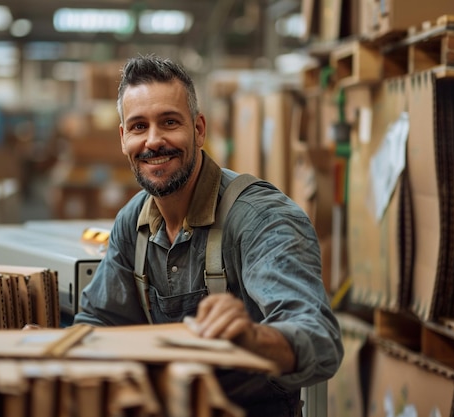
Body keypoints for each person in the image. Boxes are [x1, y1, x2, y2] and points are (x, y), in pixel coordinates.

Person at [72, 54, 344, 417]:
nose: (153, 141)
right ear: (124, 139)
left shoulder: (260, 219)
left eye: (169, 122)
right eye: (138, 127)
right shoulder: (133, 222)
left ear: (199, 129)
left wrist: (253, 338)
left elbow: (319, 340)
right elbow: (99, 322)